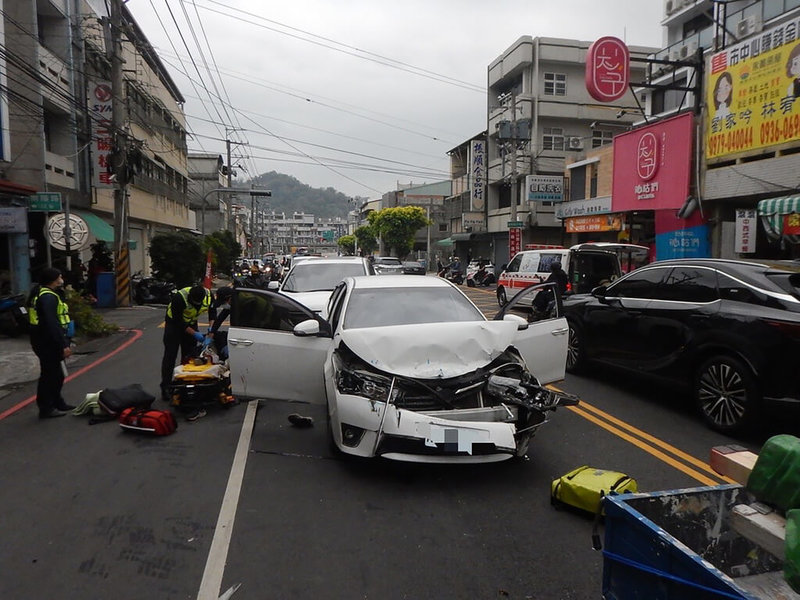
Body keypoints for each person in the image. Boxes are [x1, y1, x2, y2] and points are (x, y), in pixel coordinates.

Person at [27, 268, 73, 418]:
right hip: (47, 341)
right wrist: (63, 344)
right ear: (53, 280)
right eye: (59, 277)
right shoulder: (47, 297)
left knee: (57, 374)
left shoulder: (42, 293)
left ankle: (57, 402)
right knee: (50, 375)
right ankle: (46, 408)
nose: (61, 279)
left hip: (44, 339)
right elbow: (51, 323)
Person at [160, 284, 212, 402]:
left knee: (189, 356)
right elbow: (179, 322)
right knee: (170, 356)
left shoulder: (209, 296)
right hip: (173, 325)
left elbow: (212, 312)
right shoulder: (179, 298)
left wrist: (211, 329)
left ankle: (186, 384)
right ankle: (166, 387)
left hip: (191, 323)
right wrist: (194, 334)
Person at [207, 286, 233, 360]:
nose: (223, 305)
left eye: (223, 302)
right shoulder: (231, 304)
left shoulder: (242, 306)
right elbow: (220, 319)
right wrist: (211, 332)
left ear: (230, 298)